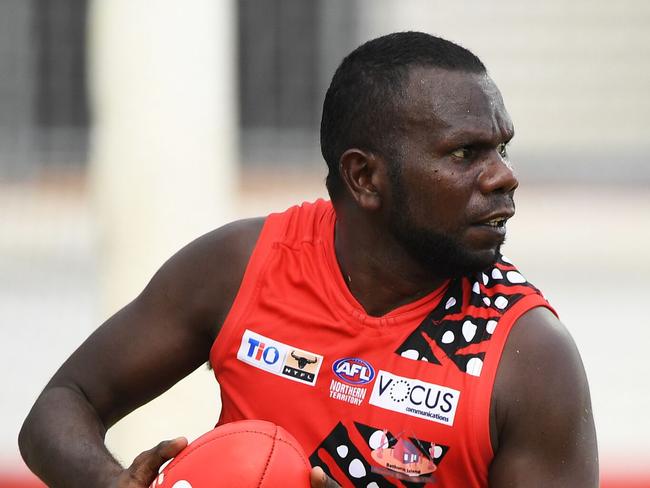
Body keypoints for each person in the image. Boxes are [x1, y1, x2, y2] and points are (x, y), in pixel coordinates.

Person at [19, 32, 598, 487]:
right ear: (364, 177)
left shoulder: (529, 357)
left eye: (502, 147)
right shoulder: (242, 267)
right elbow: (62, 405)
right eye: (465, 153)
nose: (504, 175)